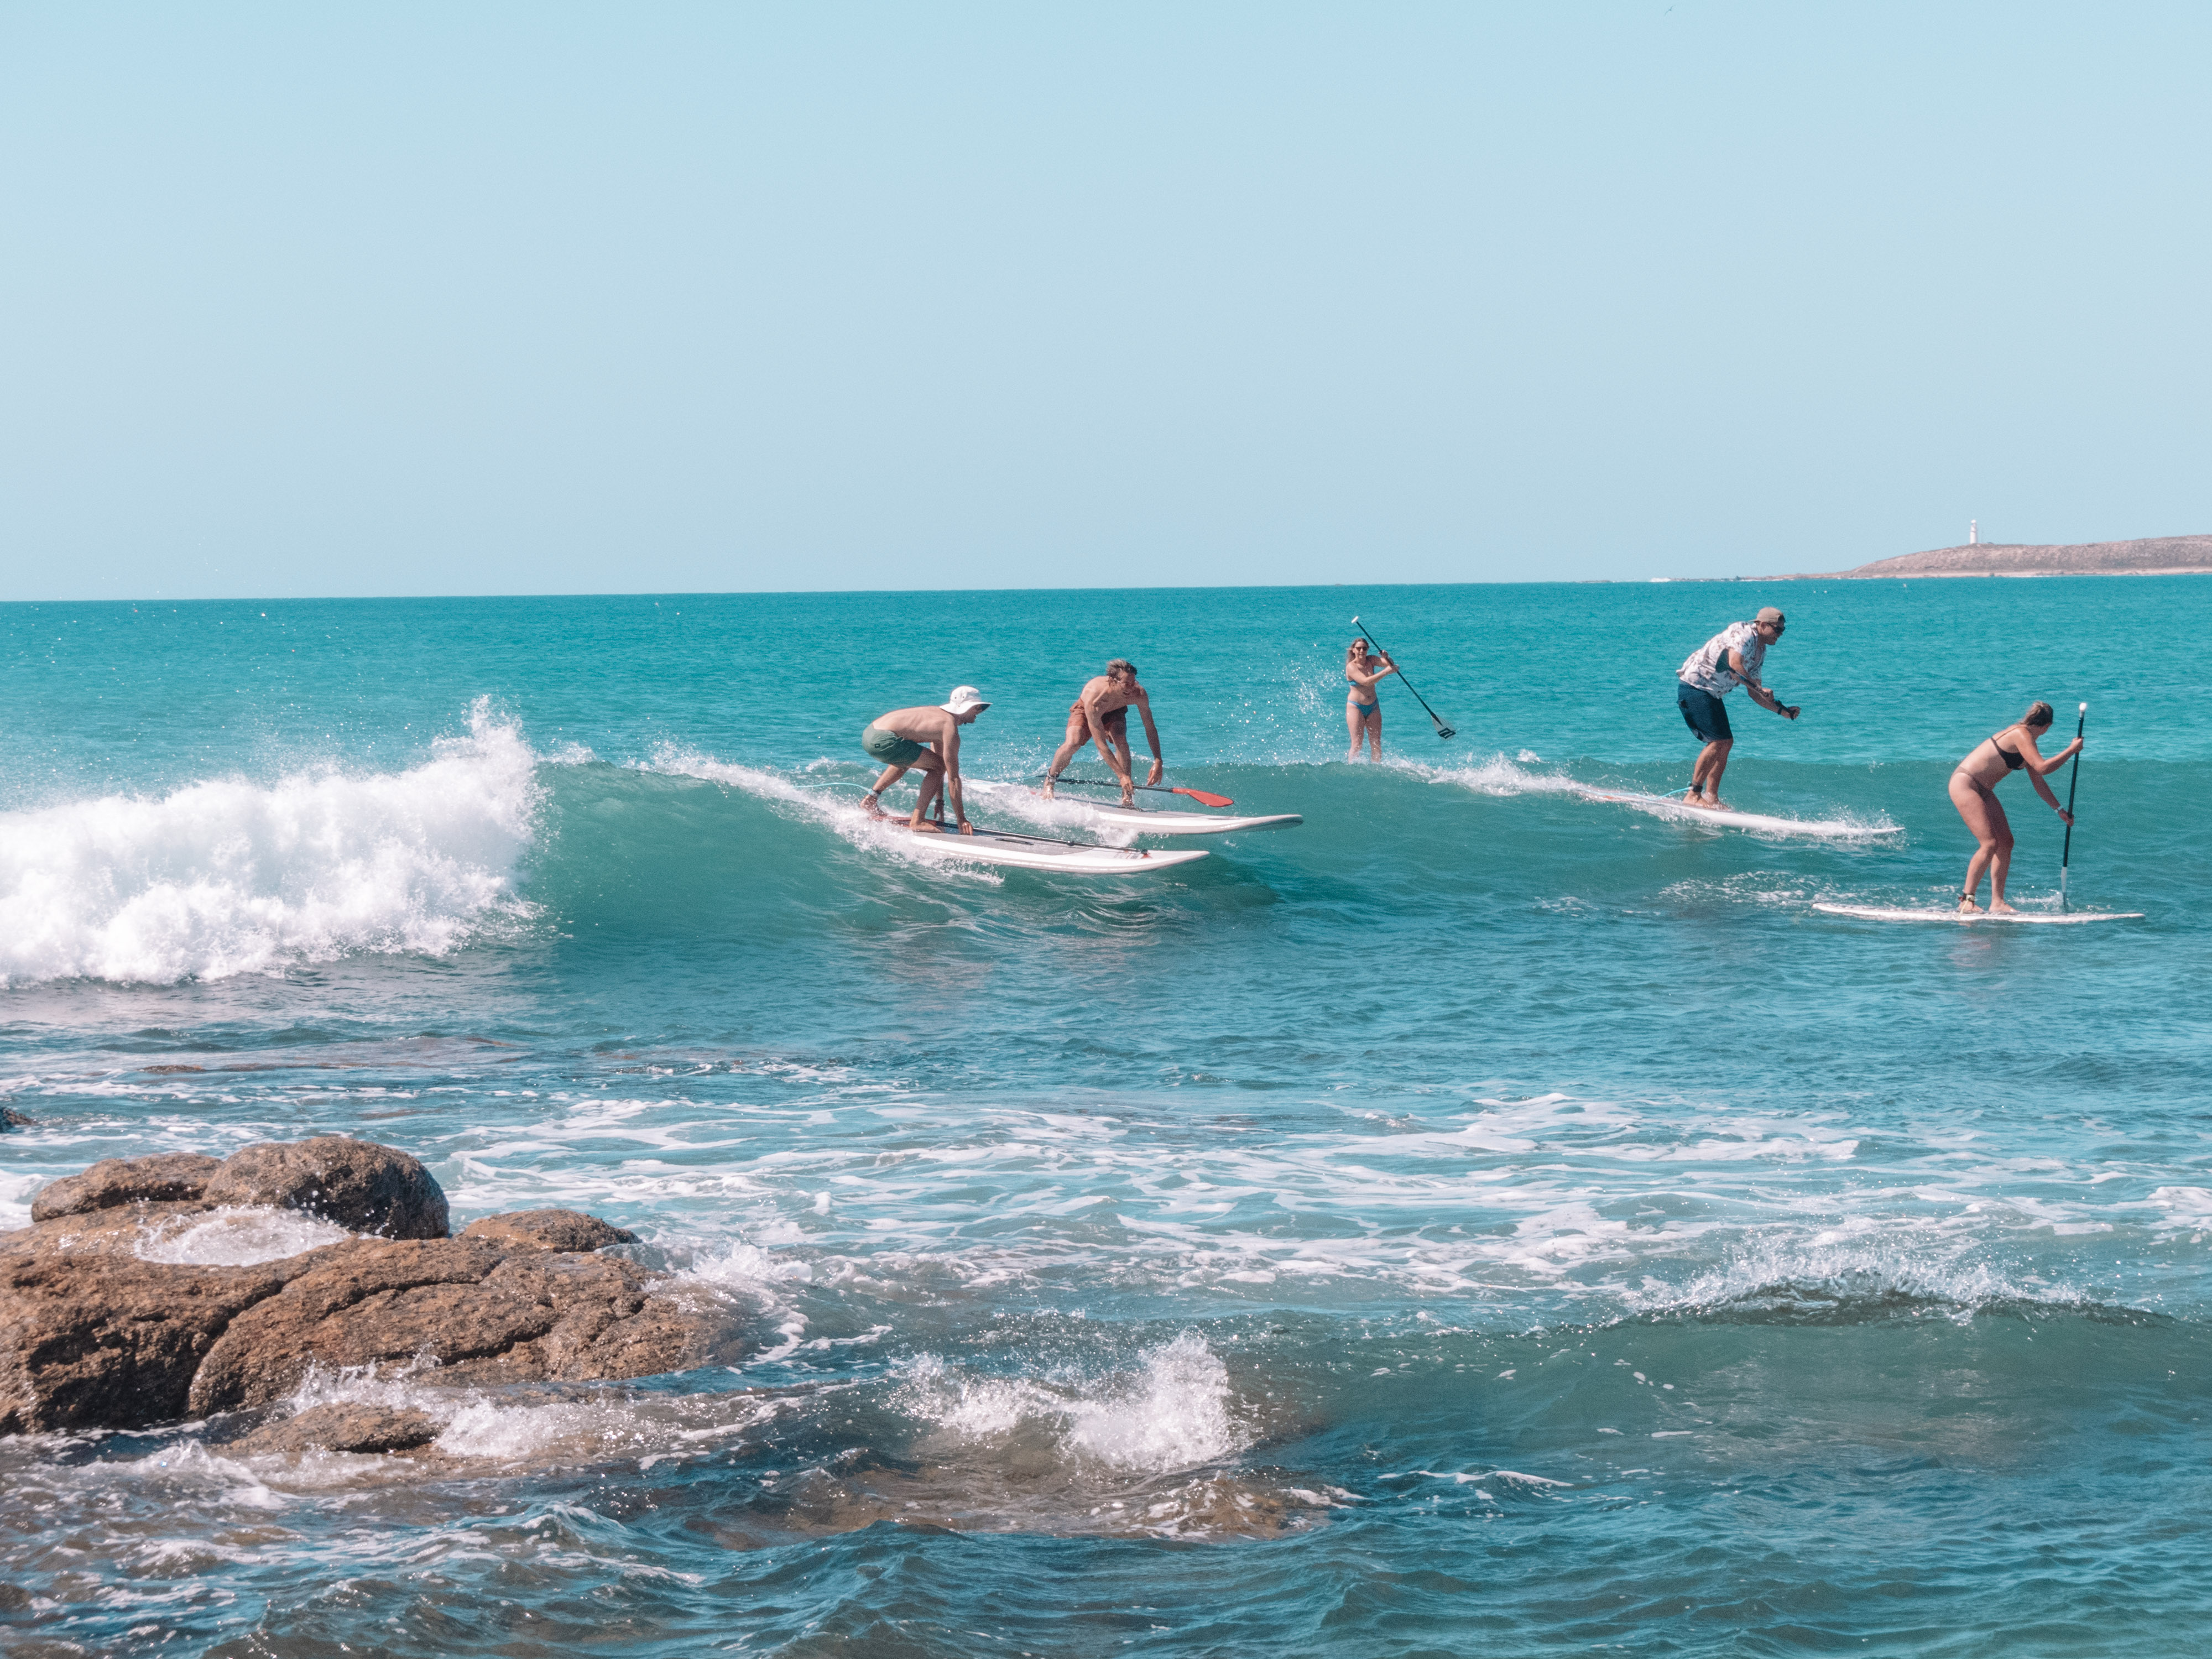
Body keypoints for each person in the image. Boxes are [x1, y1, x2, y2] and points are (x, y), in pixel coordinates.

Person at [1949, 700, 2080, 912]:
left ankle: (1998, 903)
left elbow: (2039, 781)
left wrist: (2060, 810)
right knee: (1989, 843)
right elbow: (2043, 767)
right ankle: (1967, 901)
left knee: (2006, 842)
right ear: (2047, 726)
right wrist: (2072, 750)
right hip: (1966, 784)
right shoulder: (2021, 734)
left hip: (1983, 789)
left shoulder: (2028, 742)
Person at [1676, 607, 1799, 808]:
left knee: (1726, 742)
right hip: (1695, 687)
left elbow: (1754, 693)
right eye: (1778, 630)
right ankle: (1693, 795)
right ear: (1763, 625)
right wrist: (1759, 688)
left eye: (1783, 631)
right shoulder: (1743, 634)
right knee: (1719, 741)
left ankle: (1711, 797)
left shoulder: (1760, 652)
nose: (1781, 635)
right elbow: (1735, 666)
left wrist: (1782, 711)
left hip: (1712, 694)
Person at [858, 686, 990, 834]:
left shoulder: (939, 717)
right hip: (884, 740)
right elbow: (953, 778)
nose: (979, 712)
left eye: (982, 708)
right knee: (935, 765)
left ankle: (871, 799)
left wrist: (940, 801)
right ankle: (918, 821)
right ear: (965, 708)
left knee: (911, 757)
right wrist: (962, 819)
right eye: (977, 708)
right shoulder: (949, 728)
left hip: (870, 734)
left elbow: (937, 763)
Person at [1041, 660, 1161, 806]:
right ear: (1112, 680)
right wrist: (1121, 776)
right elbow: (1101, 745)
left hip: (1116, 710)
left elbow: (1150, 727)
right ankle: (1050, 780)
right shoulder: (1096, 698)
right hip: (1086, 711)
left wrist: (1158, 760)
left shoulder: (1139, 693)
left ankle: (1127, 796)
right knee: (1073, 742)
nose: (1131, 688)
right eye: (1127, 684)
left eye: (1134, 682)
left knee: (1121, 740)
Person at [1345, 637, 1398, 760]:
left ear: (1368, 649)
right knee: (1357, 744)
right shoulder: (1351, 667)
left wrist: (1386, 657)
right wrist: (1386, 672)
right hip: (1356, 707)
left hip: (1373, 706)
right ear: (1353, 650)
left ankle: (1376, 769)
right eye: (1358, 648)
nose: (1361, 651)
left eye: (1364, 648)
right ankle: (1352, 770)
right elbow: (1366, 682)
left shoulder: (1371, 660)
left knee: (1376, 744)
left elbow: (1390, 665)